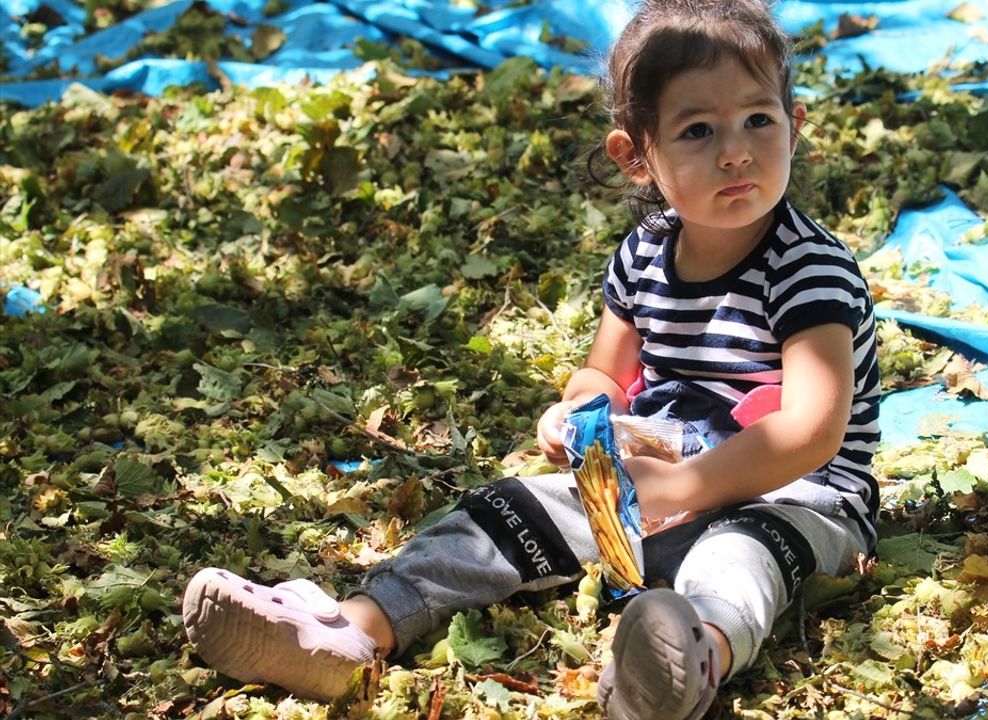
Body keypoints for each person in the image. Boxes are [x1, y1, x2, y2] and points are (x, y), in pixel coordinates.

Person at [181, 1, 881, 717]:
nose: (735, 152)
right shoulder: (644, 256)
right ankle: (351, 633)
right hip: (666, 465)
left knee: (737, 561)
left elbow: (812, 433)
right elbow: (604, 373)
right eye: (698, 130)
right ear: (637, 157)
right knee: (505, 513)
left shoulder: (808, 270)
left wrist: (676, 490)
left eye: (758, 120)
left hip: (799, 495)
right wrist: (581, 410)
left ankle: (686, 658)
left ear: (795, 126)